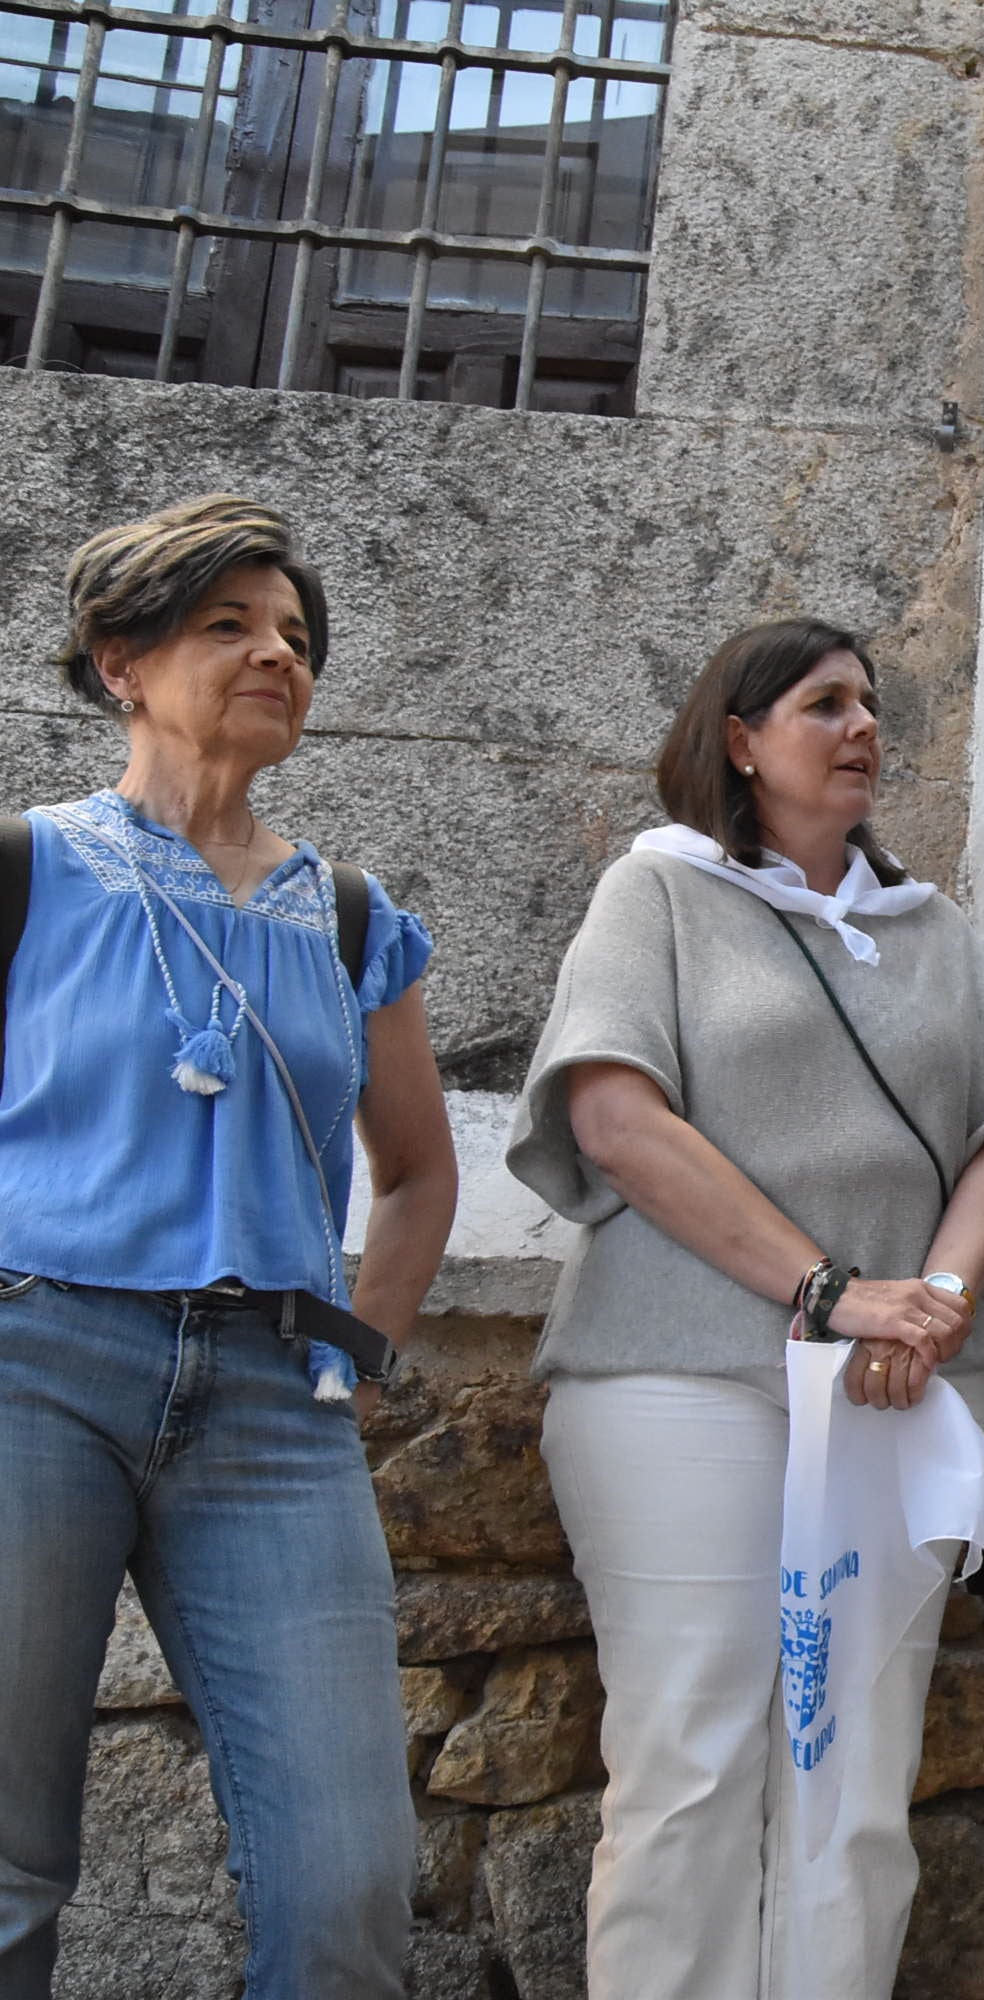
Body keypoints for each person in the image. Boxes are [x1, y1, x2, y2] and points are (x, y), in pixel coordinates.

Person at [504, 618, 984, 1999]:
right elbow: (615, 1117)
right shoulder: (658, 893)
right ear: (741, 741)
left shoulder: (930, 929)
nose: (863, 726)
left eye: (870, 704)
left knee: (856, 1786)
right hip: (678, 1375)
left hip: (899, 1389)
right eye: (825, 704)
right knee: (689, 1766)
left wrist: (936, 1303)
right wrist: (831, 1294)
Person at [0, 497, 457, 1999]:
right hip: (30, 1363)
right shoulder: (24, 871)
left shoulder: (350, 918)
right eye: (229, 625)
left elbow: (417, 1175)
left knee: (348, 1885)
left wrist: (359, 1355)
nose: (278, 655)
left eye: (297, 637)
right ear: (120, 663)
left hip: (275, 1402)